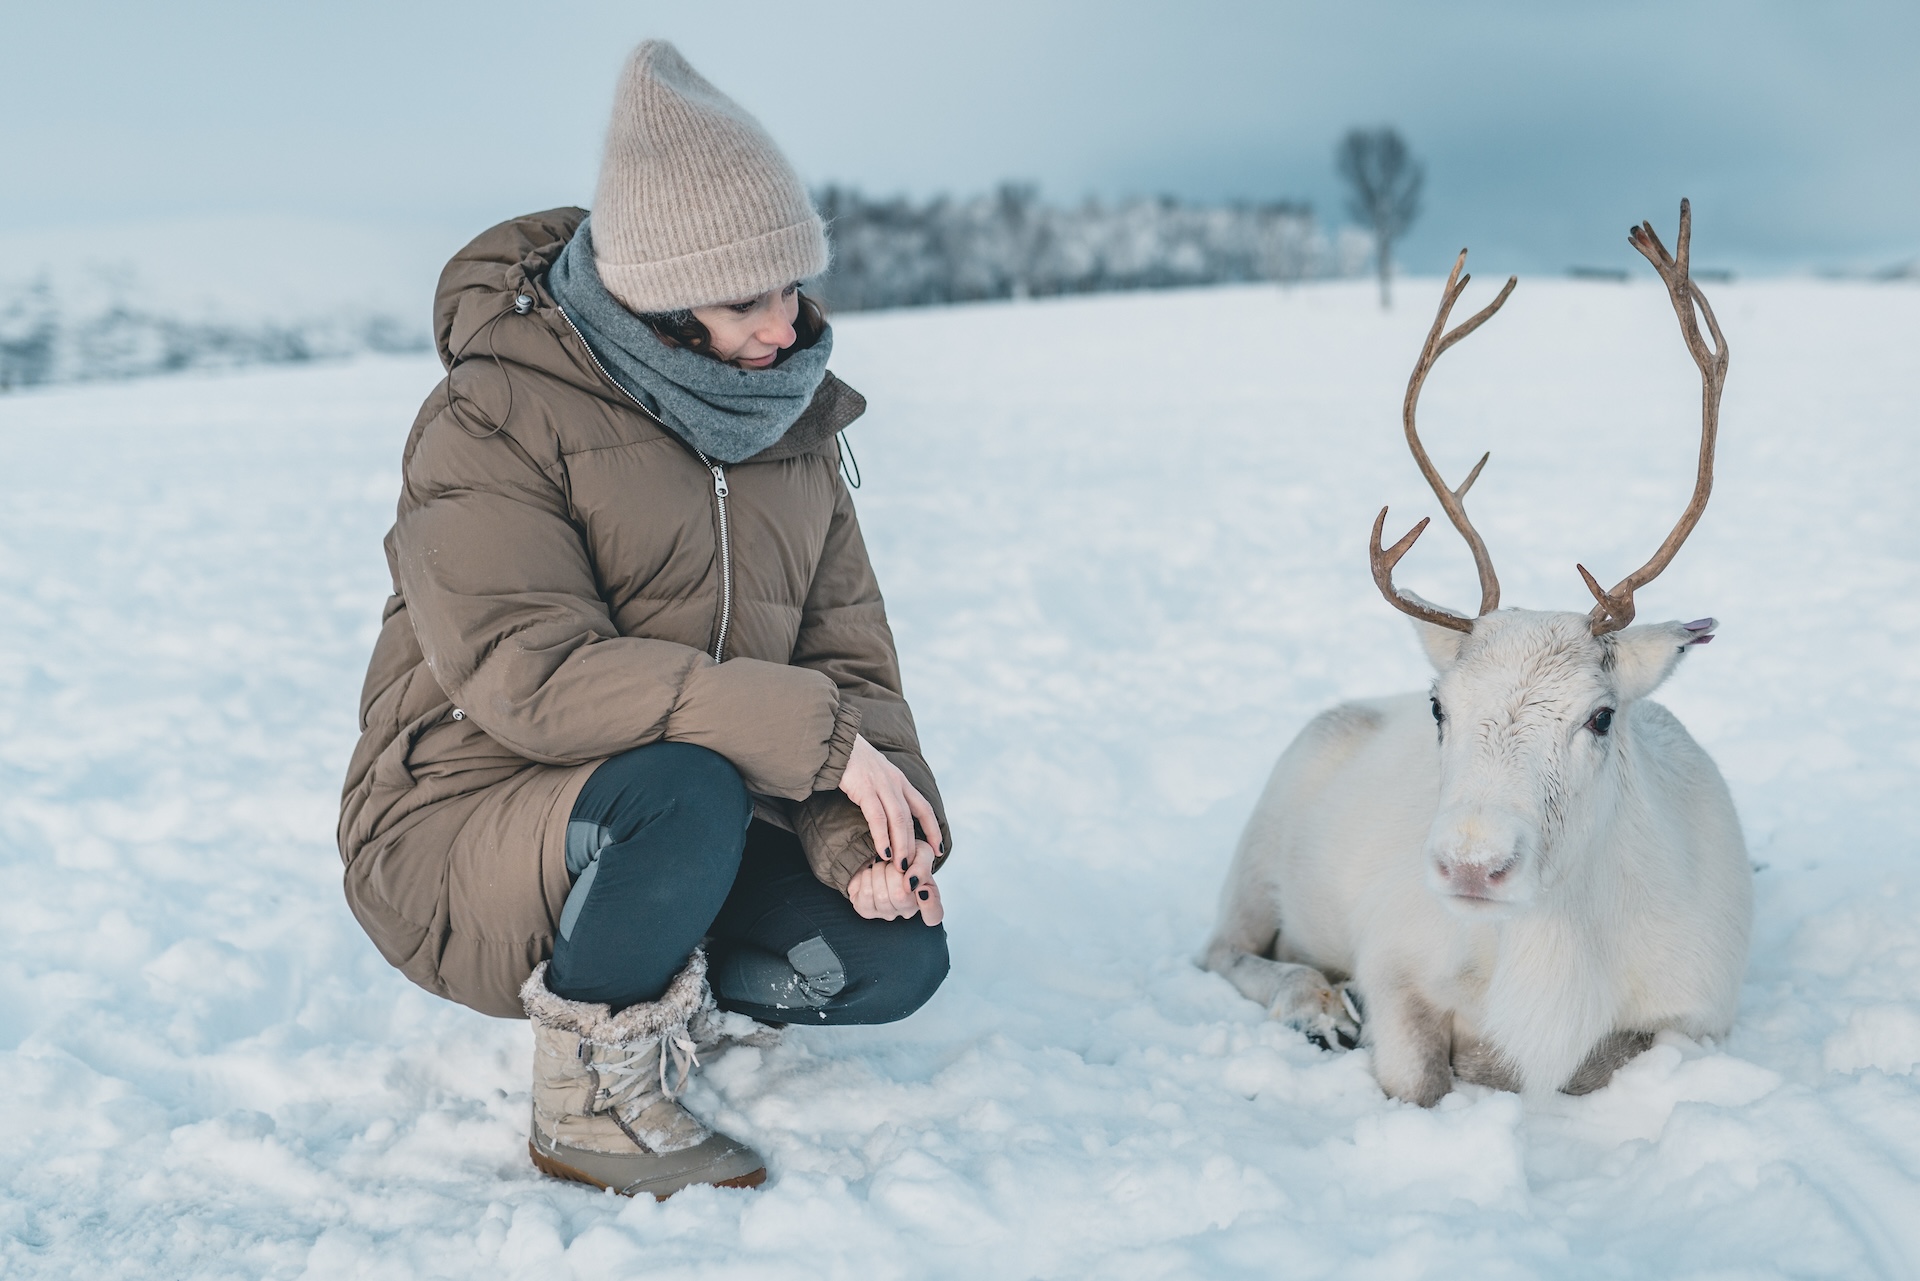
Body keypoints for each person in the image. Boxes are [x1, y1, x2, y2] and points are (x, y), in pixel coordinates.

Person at [336, 39, 951, 1199]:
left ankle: (658, 963)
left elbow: (850, 673)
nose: (785, 329)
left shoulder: (795, 430)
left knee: (888, 964)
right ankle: (587, 1095)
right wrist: (807, 738)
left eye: (794, 286)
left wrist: (861, 845)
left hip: (686, 823)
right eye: (743, 299)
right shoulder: (494, 412)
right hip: (462, 822)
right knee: (685, 785)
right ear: (658, 300)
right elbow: (529, 674)